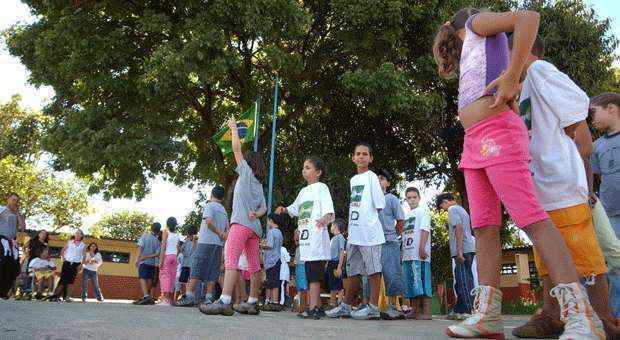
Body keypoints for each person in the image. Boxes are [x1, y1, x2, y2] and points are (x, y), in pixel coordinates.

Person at [433, 8, 603, 338]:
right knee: (483, 226)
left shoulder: (476, 23)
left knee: (531, 218)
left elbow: (528, 18)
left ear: (449, 29)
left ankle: (582, 315)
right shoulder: (472, 49)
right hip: (474, 141)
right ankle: (487, 316)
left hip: (498, 133)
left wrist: (512, 76)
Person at [507, 37, 616, 338]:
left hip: (561, 184)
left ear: (522, 50)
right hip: (542, 186)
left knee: (585, 259)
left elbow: (576, 107)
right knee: (547, 258)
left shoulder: (541, 70)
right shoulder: (527, 83)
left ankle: (604, 319)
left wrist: (574, 136)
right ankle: (553, 316)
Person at [201, 116, 267, 316]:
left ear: (249, 164)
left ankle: (224, 301)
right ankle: (252, 302)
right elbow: (264, 209)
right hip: (255, 229)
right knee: (255, 265)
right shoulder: (259, 185)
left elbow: (236, 149)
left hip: (240, 225)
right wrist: (255, 214)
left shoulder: (245, 174)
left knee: (231, 261)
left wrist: (233, 128)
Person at [327, 142, 386, 320]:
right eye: (358, 154)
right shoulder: (353, 180)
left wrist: (367, 223)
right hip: (354, 234)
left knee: (374, 270)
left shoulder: (372, 177)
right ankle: (346, 306)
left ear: (370, 158)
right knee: (353, 271)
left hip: (370, 234)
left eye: (365, 154)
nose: (361, 157)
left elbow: (379, 205)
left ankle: (374, 308)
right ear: (353, 158)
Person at [276, 157, 335, 318]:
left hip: (316, 237)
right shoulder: (303, 192)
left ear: (318, 172)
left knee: (315, 274)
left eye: (308, 167)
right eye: (303, 167)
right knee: (310, 273)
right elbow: (295, 208)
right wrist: (285, 209)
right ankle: (314, 306)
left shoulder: (321, 187)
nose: (304, 170)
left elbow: (329, 209)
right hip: (305, 239)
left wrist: (325, 219)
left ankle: (315, 307)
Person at [177, 186, 228, 307]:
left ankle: (189, 296)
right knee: (212, 271)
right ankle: (208, 298)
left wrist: (218, 233)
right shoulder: (224, 210)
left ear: (212, 194)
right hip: (218, 245)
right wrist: (223, 236)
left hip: (206, 242)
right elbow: (228, 229)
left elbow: (208, 222)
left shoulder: (209, 206)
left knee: (197, 268)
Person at [436, 192, 477, 319]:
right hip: (469, 247)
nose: (443, 209)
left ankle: (468, 310)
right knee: (462, 280)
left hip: (462, 249)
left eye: (441, 206)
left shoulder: (452, 210)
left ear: (445, 202)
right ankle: (459, 309)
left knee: (463, 280)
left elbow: (458, 228)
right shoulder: (462, 210)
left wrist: (459, 250)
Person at [376, 169, 406, 320]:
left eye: (382, 178)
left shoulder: (392, 199)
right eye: (377, 178)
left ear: (388, 183)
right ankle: (374, 307)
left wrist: (395, 234)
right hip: (373, 243)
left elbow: (400, 219)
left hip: (389, 241)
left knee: (392, 273)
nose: (379, 180)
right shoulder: (370, 200)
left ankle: (393, 306)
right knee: (373, 275)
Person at [591, 93, 620, 238]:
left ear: (610, 109)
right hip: (610, 212)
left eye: (593, 113)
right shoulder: (595, 146)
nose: (591, 120)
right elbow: (601, 177)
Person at [402, 187, 432, 320]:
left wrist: (421, 248)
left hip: (419, 254)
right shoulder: (406, 215)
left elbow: (425, 230)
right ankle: (414, 311)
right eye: (409, 197)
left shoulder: (423, 211)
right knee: (412, 283)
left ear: (419, 198)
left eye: (414, 197)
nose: (412, 200)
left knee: (423, 282)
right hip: (408, 254)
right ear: (406, 199)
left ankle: (426, 312)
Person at [0, 192, 26, 299]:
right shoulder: (1, 209)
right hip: (1, 241)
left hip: (12, 243)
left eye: (16, 200)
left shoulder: (17, 214)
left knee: (13, 268)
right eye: (13, 199)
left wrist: (17, 213)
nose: (15, 202)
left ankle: (4, 292)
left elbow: (22, 227)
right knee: (2, 265)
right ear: (8, 199)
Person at [49, 229, 85, 302]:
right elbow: (62, 250)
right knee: (62, 280)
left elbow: (84, 256)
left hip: (76, 264)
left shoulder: (83, 245)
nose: (77, 235)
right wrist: (63, 258)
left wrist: (81, 265)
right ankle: (55, 296)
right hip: (67, 263)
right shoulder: (70, 242)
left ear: (81, 235)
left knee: (71, 281)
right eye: (76, 233)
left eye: (79, 234)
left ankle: (67, 297)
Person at [260, 213, 284, 310]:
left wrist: (261, 245)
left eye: (268, 220)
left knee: (269, 282)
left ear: (271, 220)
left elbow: (269, 246)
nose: (267, 223)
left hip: (271, 261)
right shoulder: (279, 232)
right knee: (275, 282)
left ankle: (268, 301)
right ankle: (275, 302)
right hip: (277, 259)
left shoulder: (271, 232)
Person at [134, 222, 161, 305]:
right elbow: (157, 254)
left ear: (151, 228)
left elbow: (140, 248)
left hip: (144, 262)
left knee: (142, 278)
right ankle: (148, 297)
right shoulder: (157, 241)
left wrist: (138, 259)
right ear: (158, 230)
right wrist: (149, 256)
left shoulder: (145, 236)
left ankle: (146, 296)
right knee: (149, 279)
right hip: (152, 263)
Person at [158, 217, 181, 305]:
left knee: (165, 276)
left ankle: (165, 299)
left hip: (167, 256)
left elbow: (163, 246)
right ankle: (169, 299)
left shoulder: (165, 232)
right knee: (172, 277)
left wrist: (161, 261)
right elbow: (179, 248)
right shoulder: (177, 234)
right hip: (175, 257)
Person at [327, 219, 346, 308]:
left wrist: (339, 267)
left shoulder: (340, 237)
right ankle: (332, 303)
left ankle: (339, 304)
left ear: (335, 226)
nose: (330, 228)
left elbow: (342, 252)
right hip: (331, 263)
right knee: (332, 284)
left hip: (336, 263)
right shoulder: (333, 238)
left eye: (332, 226)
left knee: (338, 285)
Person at [175, 225, 197, 302]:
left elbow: (193, 251)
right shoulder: (186, 242)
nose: (190, 236)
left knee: (191, 281)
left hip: (192, 265)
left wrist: (194, 241)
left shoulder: (197, 241)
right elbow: (182, 251)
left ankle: (190, 297)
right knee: (183, 281)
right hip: (185, 264)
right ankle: (184, 296)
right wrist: (179, 248)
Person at [293, 229, 309, 317]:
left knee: (303, 286)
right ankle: (300, 306)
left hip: (302, 265)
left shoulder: (303, 246)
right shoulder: (298, 248)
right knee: (300, 287)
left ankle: (304, 308)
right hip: (299, 266)